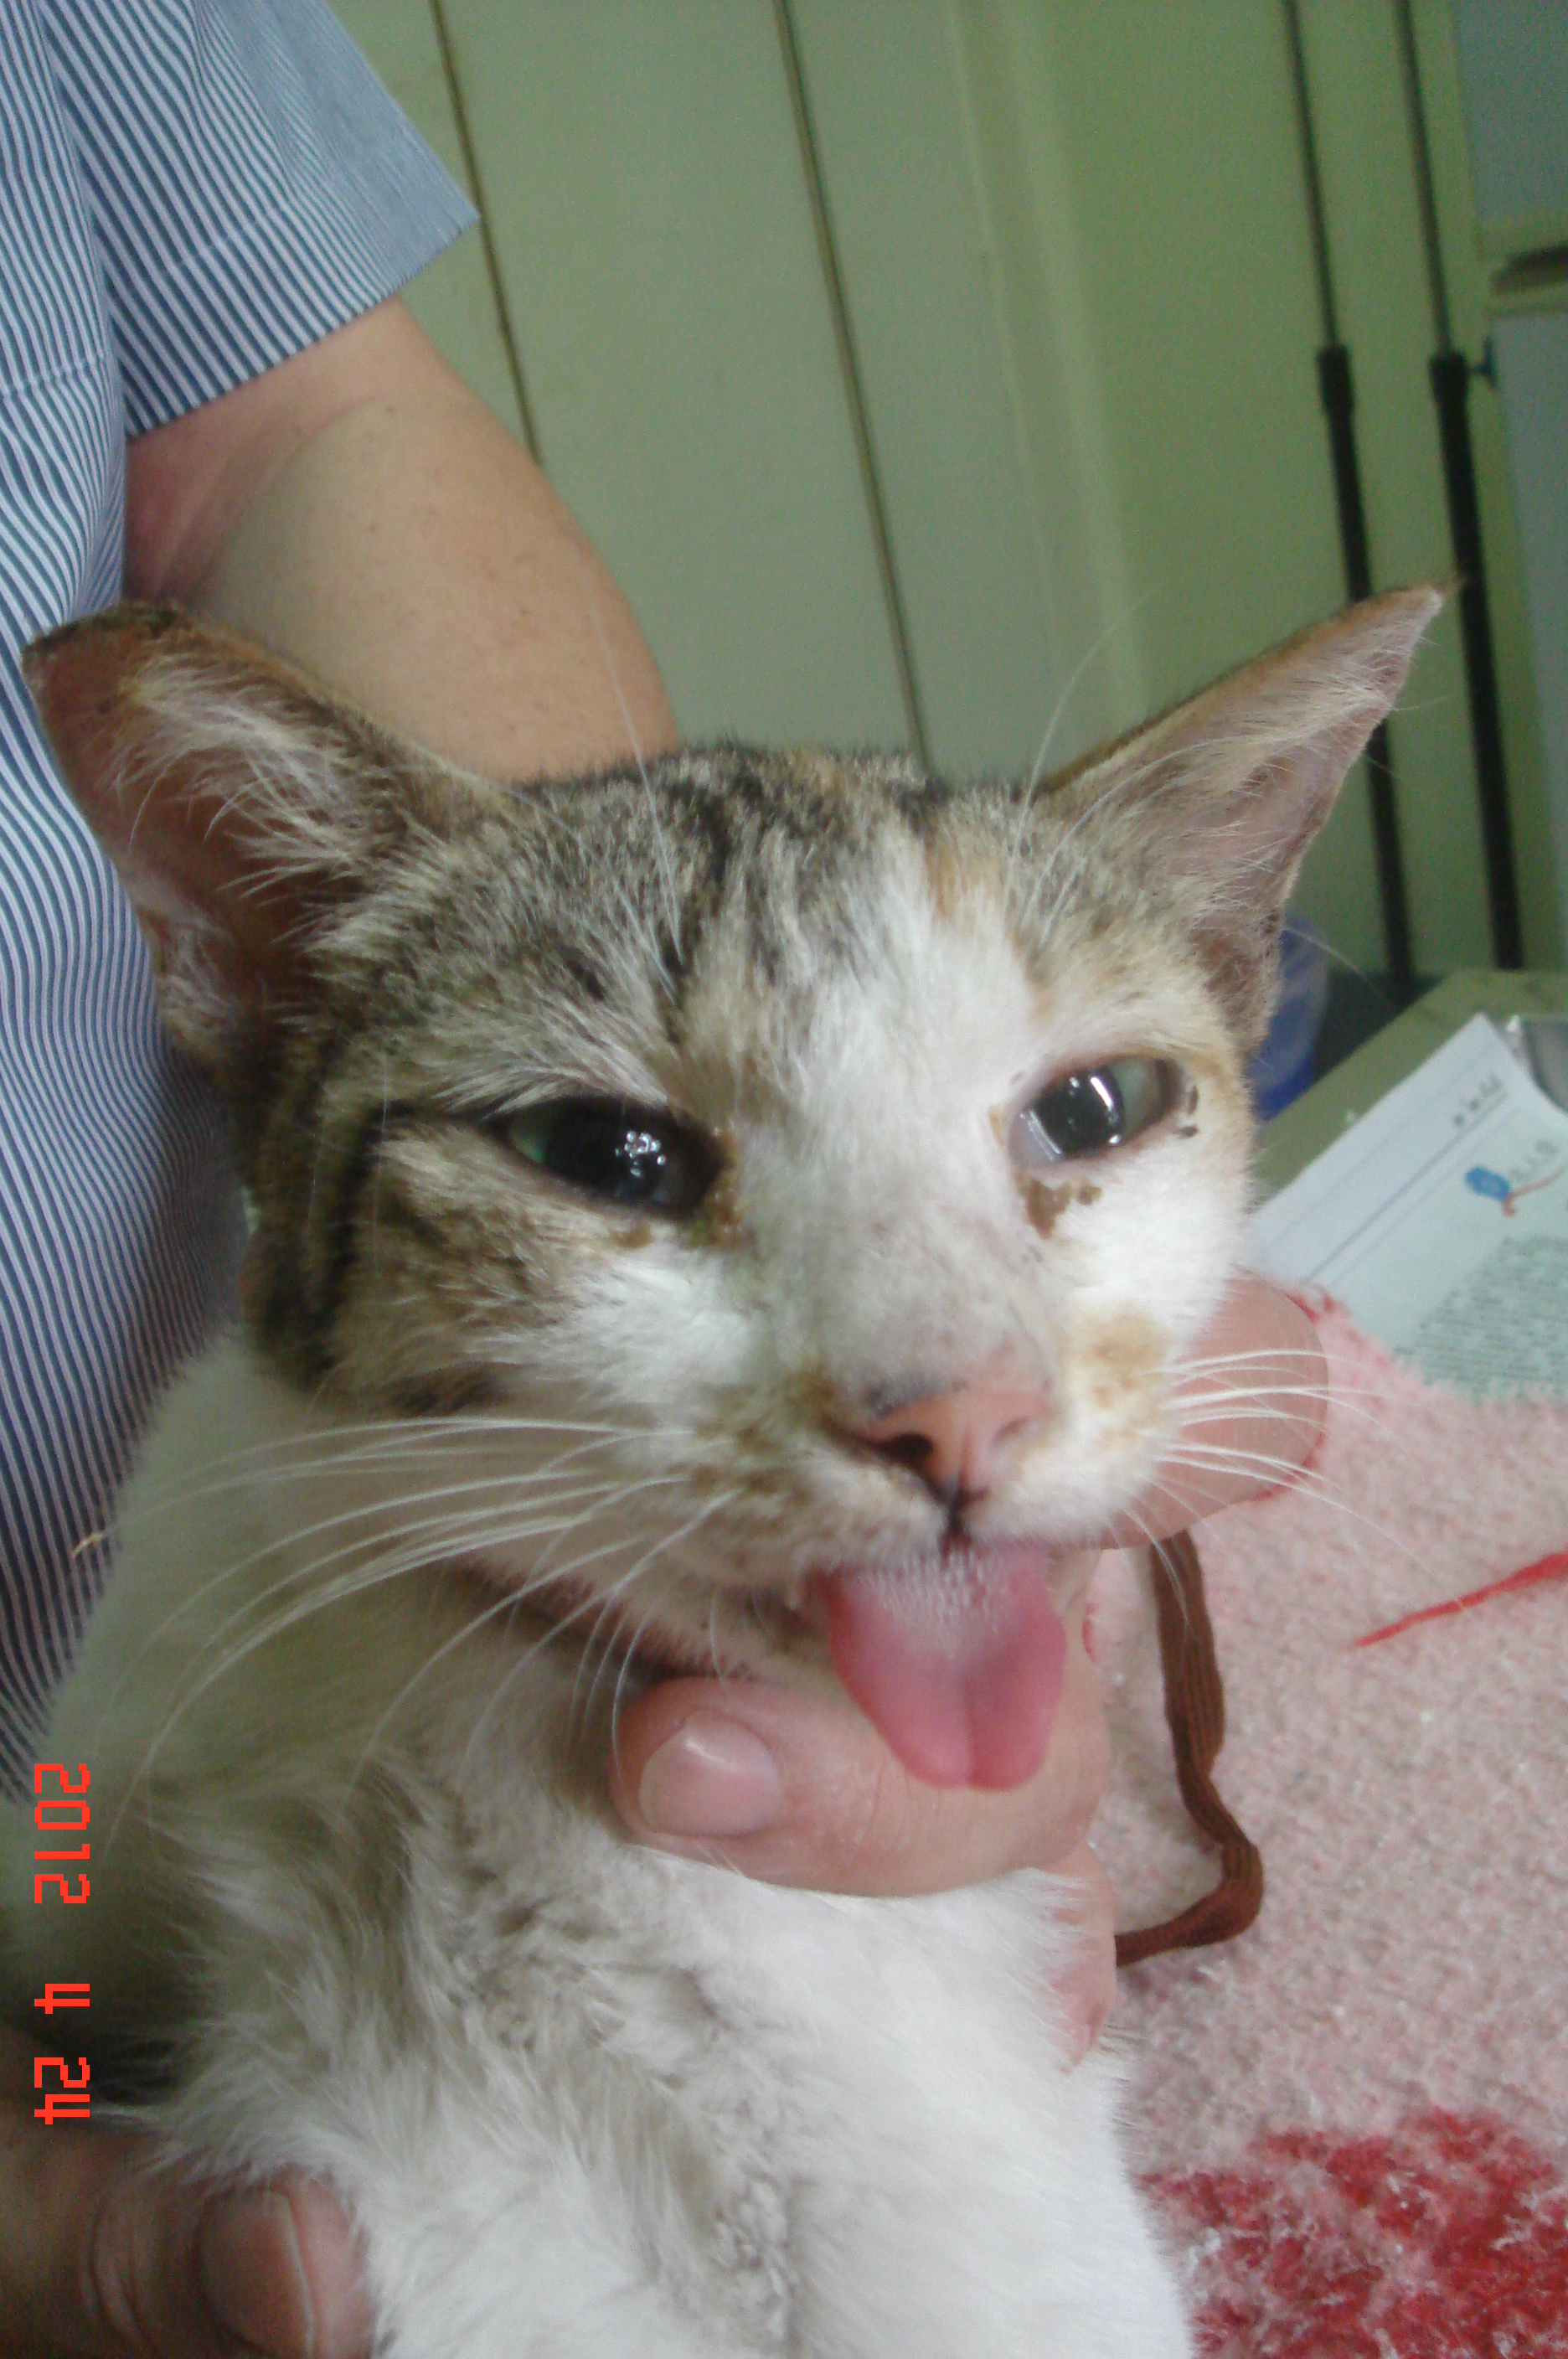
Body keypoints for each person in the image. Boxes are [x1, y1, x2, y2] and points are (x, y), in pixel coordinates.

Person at [0, 5, 1326, 2352]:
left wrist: (553, 935)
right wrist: (42, 2066)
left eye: (1090, 1117)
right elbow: (57, 1981)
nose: (961, 1391)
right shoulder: (183, 1599)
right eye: (624, 1150)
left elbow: (311, 419)